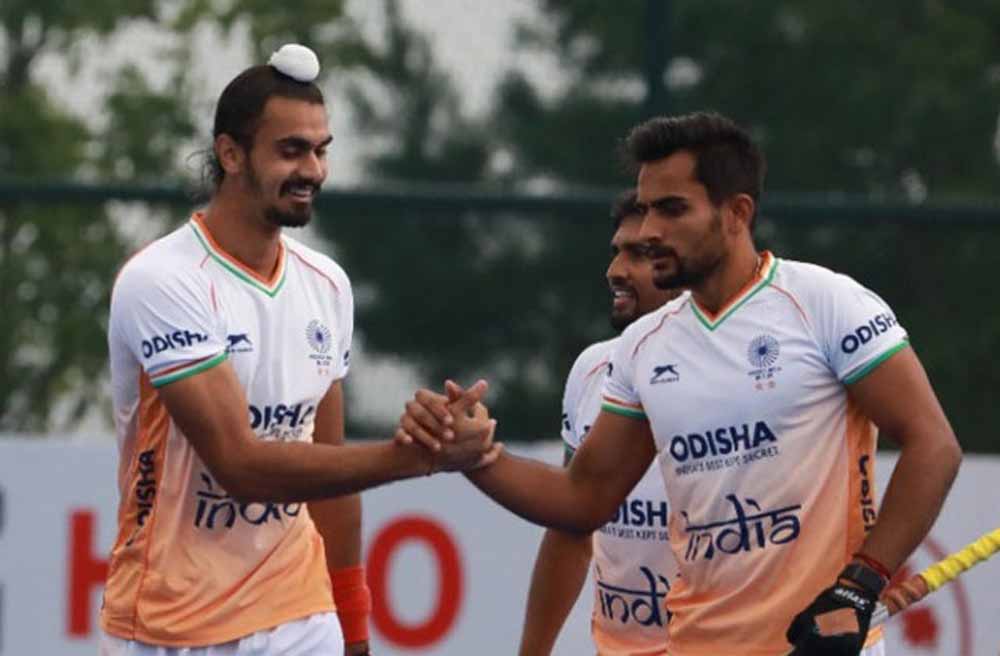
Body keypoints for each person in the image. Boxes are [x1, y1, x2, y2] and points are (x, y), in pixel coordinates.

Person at [399, 111, 962, 656]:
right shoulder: (644, 345)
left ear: (736, 213)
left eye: (672, 210)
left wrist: (859, 585)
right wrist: (477, 458)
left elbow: (933, 444)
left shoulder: (825, 303)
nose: (649, 232)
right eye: (646, 210)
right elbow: (583, 500)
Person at [101, 44, 496, 656]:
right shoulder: (163, 281)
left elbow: (326, 472)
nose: (312, 170)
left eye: (320, 150)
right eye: (291, 150)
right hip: (169, 627)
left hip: (300, 618)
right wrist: (414, 457)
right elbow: (240, 467)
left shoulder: (326, 284)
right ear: (230, 154)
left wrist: (354, 631)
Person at [519, 190, 680, 656]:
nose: (615, 271)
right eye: (616, 252)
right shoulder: (593, 368)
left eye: (639, 255)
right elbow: (571, 527)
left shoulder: (746, 373)